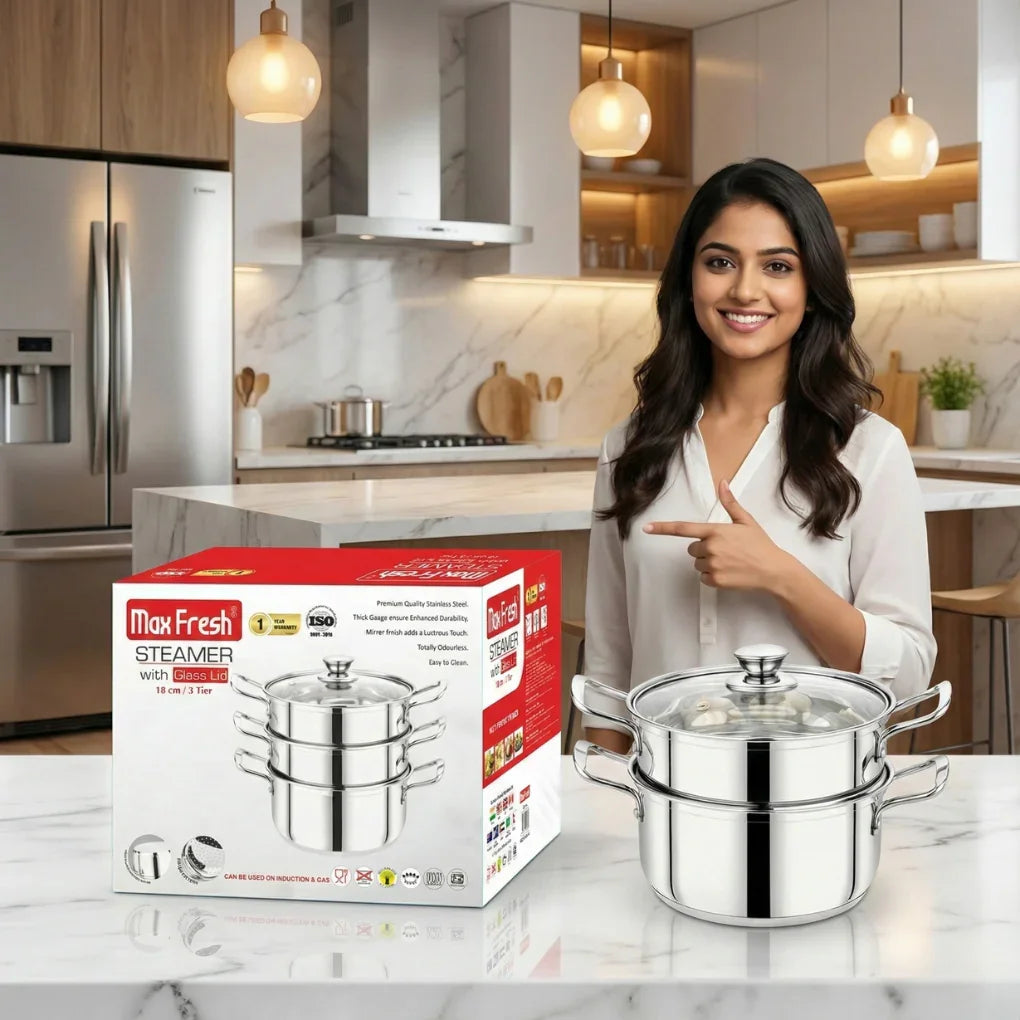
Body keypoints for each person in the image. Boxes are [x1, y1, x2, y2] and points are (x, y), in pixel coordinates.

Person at [583, 158, 936, 754]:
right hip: (659, 788)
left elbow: (907, 678)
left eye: (777, 266)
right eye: (720, 262)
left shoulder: (869, 449)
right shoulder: (629, 447)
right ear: (688, 280)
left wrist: (781, 575)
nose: (745, 290)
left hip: (811, 784)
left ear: (812, 288)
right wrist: (606, 790)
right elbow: (608, 668)